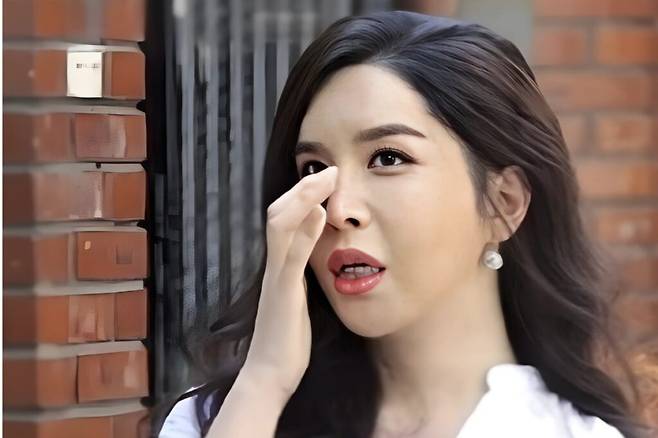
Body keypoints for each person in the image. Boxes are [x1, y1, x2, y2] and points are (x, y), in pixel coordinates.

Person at [157, 10, 652, 438]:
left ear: (503, 202)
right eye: (314, 169)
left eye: (388, 158)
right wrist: (266, 378)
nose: (337, 209)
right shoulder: (219, 419)